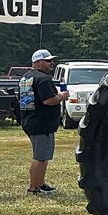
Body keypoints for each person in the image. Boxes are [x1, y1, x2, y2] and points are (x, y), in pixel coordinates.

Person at [18, 49, 68, 195]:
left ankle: (40, 183)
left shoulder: (26, 77)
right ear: (38, 62)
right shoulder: (44, 79)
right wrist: (61, 96)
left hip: (30, 119)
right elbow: (48, 100)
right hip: (41, 123)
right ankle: (33, 188)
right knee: (40, 157)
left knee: (43, 155)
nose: (51, 63)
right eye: (48, 61)